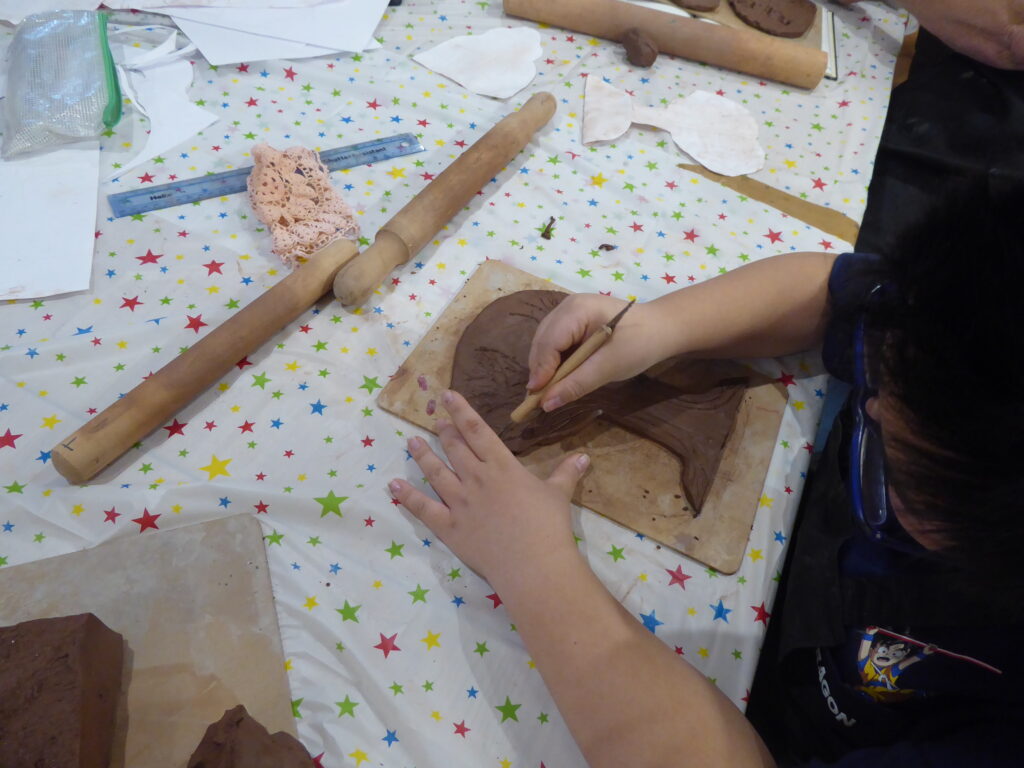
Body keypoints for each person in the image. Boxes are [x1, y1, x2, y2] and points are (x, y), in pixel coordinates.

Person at [388, 174, 1024, 767]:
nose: (873, 406)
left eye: (893, 462)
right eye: (881, 374)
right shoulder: (975, 305)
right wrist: (666, 325)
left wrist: (533, 568)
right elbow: (831, 296)